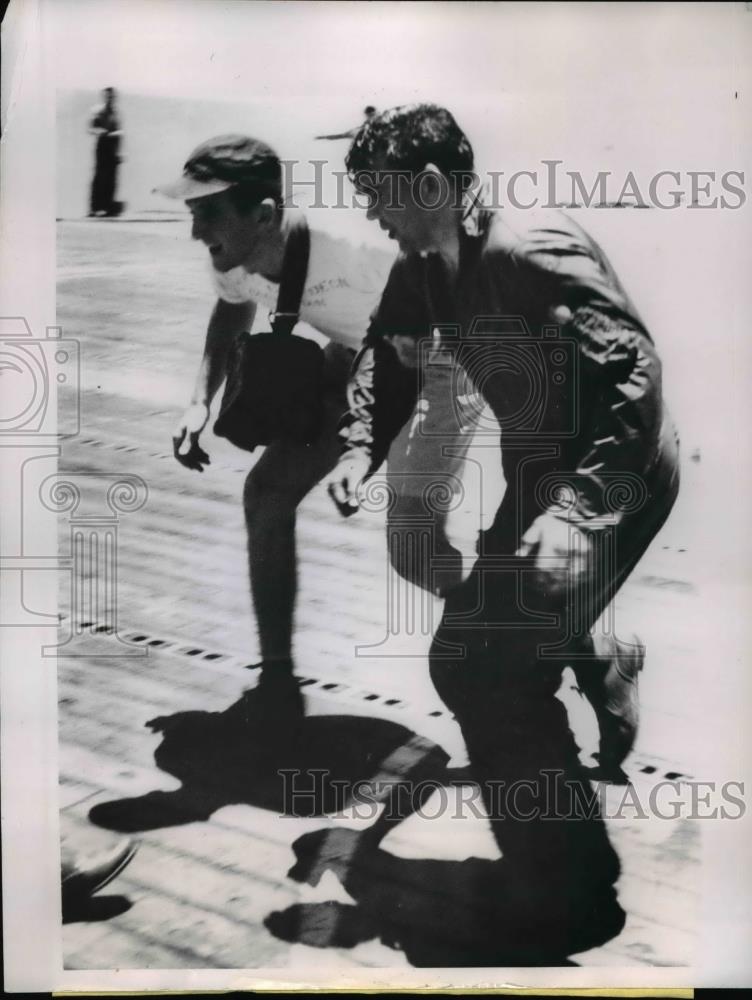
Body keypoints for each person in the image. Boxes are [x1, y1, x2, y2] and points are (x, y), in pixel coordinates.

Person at [326, 104, 680, 960]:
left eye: (381, 196)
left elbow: (635, 369)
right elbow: (384, 345)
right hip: (541, 481)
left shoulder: (529, 248)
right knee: (466, 659)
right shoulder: (425, 265)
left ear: (436, 187)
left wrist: (579, 511)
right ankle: (562, 865)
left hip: (615, 474)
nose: (372, 215)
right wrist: (357, 446)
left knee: (498, 673)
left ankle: (568, 892)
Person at [155, 134, 406, 721]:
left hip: (432, 365)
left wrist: (363, 445)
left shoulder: (354, 247)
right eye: (193, 214)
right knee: (267, 494)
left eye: (209, 214)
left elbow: (445, 316)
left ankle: (580, 647)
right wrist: (199, 400)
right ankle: (276, 679)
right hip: (355, 355)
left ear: (264, 215)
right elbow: (234, 304)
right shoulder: (236, 249)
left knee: (420, 550)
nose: (197, 234)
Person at [88, 87, 123, 217]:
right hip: (102, 145)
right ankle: (94, 208)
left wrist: (119, 152)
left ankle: (108, 207)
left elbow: (120, 132)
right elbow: (90, 128)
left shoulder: (116, 112)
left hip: (113, 146)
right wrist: (101, 131)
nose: (110, 99)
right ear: (104, 97)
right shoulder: (97, 111)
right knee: (99, 177)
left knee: (112, 178)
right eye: (108, 96)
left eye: (112, 97)